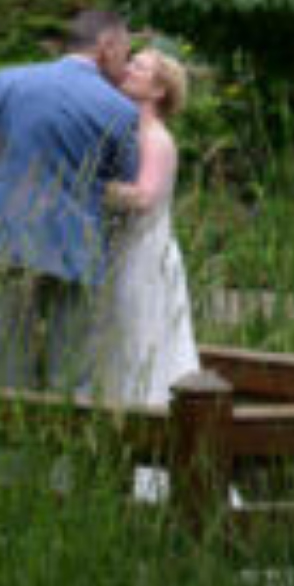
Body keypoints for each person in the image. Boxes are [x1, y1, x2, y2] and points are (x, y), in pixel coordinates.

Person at [0, 10, 138, 395]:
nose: (126, 63)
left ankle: (8, 455)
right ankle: (63, 456)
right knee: (70, 380)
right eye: (126, 51)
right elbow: (125, 187)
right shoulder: (120, 110)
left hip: (6, 243)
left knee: (8, 376)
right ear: (106, 46)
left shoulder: (8, 82)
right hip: (78, 252)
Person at [91, 48, 199, 408]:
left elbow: (143, 198)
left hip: (144, 260)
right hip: (118, 253)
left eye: (139, 67)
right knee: (111, 343)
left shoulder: (156, 139)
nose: (129, 68)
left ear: (158, 91)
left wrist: (90, 186)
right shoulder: (123, 130)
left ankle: (149, 446)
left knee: (141, 341)